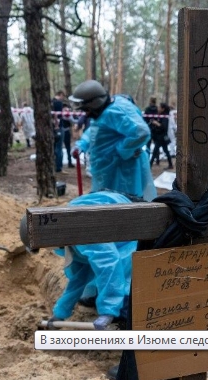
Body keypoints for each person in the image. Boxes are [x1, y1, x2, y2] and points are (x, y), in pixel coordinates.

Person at [47, 191, 136, 330]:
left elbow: (109, 263)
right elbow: (79, 277)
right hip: (115, 213)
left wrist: (108, 311)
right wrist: (60, 313)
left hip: (131, 229)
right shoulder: (64, 233)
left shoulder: (80, 230)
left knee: (127, 304)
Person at [69, 80, 157, 201]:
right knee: (106, 202)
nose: (86, 113)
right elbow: (96, 131)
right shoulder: (103, 112)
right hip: (107, 168)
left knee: (122, 205)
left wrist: (122, 151)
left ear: (94, 104)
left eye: (86, 109)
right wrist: (81, 144)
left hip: (122, 171)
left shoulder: (116, 112)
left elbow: (141, 132)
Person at [149, 102, 173, 169]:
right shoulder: (160, 115)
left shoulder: (165, 116)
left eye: (159, 107)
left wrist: (156, 123)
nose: (158, 108)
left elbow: (163, 127)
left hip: (161, 137)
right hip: (159, 136)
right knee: (165, 151)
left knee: (155, 151)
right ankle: (170, 164)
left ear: (163, 109)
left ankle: (149, 165)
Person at [52, 90, 66, 173]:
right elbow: (57, 115)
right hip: (58, 127)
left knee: (54, 147)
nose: (63, 99)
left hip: (51, 128)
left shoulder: (50, 101)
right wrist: (57, 126)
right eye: (63, 97)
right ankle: (59, 167)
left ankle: (53, 165)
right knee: (59, 148)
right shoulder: (58, 103)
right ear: (60, 95)